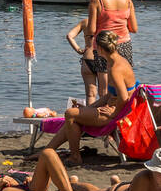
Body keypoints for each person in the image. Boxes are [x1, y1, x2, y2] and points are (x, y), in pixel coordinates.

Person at [47, 31, 137, 166]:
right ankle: (48, 150)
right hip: (115, 109)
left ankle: (74, 156)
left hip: (117, 114)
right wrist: (90, 108)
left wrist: (114, 113)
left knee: (70, 114)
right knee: (74, 117)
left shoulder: (115, 68)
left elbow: (123, 98)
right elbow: (110, 95)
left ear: (100, 48)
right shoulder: (118, 61)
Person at [86, 0, 137, 76]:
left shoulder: (97, 0)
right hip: (124, 44)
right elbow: (134, 28)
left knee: (104, 88)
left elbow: (91, 30)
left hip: (102, 46)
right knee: (124, 81)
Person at [65, 17, 100, 103]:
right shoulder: (105, 20)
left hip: (87, 59)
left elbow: (69, 36)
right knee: (104, 93)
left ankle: (90, 115)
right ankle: (103, 115)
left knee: (90, 94)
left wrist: (78, 49)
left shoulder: (85, 21)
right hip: (102, 59)